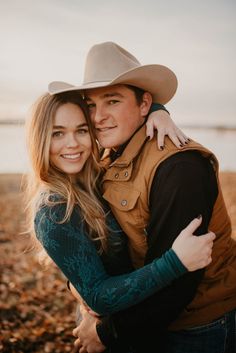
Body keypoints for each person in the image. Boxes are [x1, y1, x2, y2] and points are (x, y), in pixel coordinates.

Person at [49, 42, 236, 353]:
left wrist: (106, 334)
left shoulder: (180, 168)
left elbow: (179, 285)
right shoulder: (109, 153)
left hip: (198, 328)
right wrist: (82, 291)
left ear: (144, 103)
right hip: (142, 315)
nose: (98, 117)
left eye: (112, 100)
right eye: (90, 104)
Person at [24, 91, 215, 352]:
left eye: (81, 130)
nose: (73, 144)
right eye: (57, 134)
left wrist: (158, 111)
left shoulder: (90, 175)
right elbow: (99, 297)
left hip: (137, 317)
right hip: (111, 322)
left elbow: (123, 116)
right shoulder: (53, 209)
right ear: (39, 139)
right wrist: (175, 262)